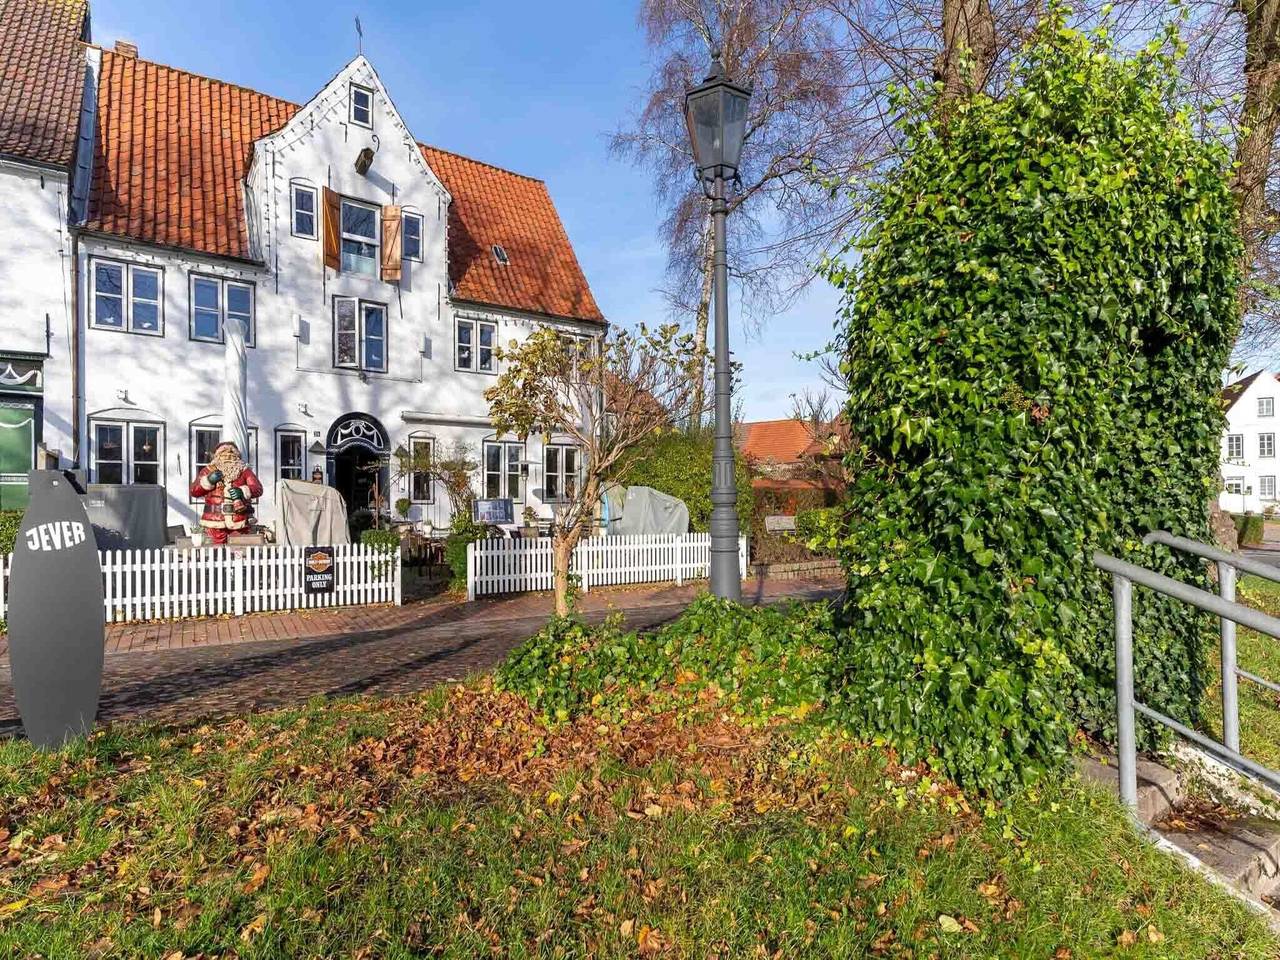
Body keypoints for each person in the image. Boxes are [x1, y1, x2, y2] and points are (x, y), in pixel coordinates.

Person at [189, 441, 263, 546]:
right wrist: (208, 481)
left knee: (239, 549)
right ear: (217, 456)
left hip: (239, 519)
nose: (228, 456)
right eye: (223, 453)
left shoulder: (244, 471)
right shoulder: (208, 470)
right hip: (214, 519)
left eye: (231, 453)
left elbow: (257, 488)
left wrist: (243, 491)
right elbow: (194, 491)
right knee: (216, 551)